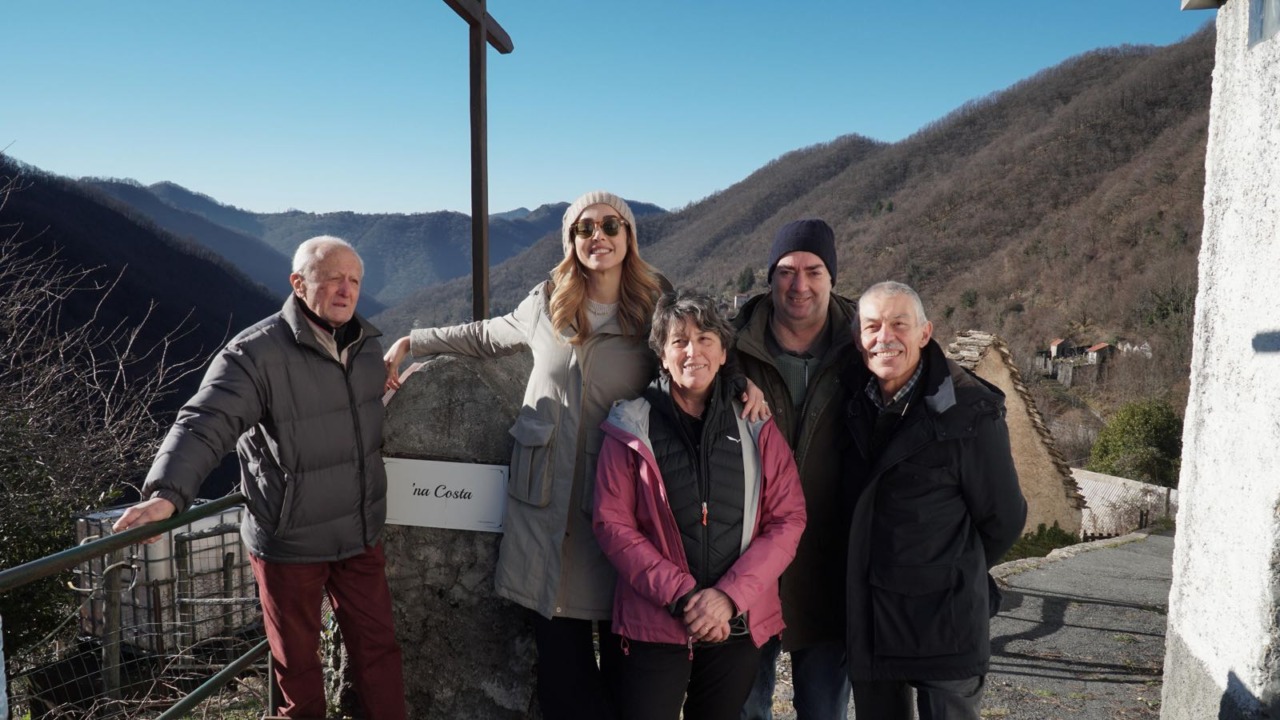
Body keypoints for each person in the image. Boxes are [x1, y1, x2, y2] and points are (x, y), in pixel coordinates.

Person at [382, 191, 767, 720]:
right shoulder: (546, 302)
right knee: (564, 685)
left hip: (625, 517)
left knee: (627, 681)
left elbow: (694, 355)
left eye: (611, 225)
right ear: (571, 241)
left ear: (629, 237)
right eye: (585, 228)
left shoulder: (653, 304)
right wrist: (412, 341)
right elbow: (485, 335)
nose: (598, 236)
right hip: (548, 517)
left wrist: (740, 382)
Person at [112, 236, 406, 720]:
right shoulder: (254, 354)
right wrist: (167, 493)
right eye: (332, 277)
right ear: (298, 283)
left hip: (358, 533)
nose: (345, 289)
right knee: (297, 669)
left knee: (379, 654)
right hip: (289, 541)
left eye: (354, 280)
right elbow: (204, 422)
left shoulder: (368, 348)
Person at [593, 289, 807, 720]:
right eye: (679, 341)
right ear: (662, 355)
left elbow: (788, 519)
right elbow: (612, 525)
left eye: (706, 338)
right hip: (654, 624)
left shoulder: (756, 426)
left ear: (724, 352)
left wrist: (728, 597)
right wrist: (684, 596)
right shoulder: (631, 425)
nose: (694, 351)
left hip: (735, 624)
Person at [843, 281, 1027, 720]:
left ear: (925, 333)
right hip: (873, 618)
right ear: (858, 338)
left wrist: (947, 570)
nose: (884, 337)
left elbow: (1004, 519)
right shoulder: (852, 400)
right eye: (872, 326)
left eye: (898, 324)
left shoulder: (970, 410)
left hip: (945, 619)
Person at [733, 218, 859, 719]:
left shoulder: (865, 347)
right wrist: (732, 383)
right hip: (747, 558)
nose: (799, 285)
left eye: (813, 270)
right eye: (786, 271)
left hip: (831, 562)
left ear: (832, 276)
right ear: (770, 276)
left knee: (825, 710)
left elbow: (928, 372)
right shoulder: (732, 348)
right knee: (744, 709)